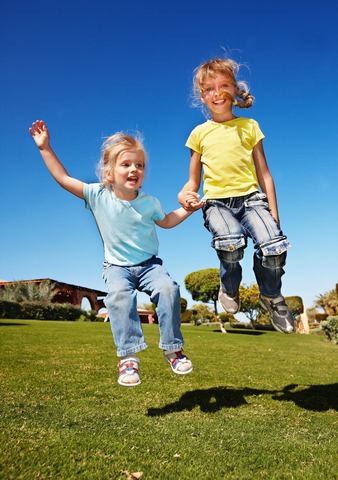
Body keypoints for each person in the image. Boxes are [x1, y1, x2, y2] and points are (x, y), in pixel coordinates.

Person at [29, 120, 195, 386]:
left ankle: (172, 349)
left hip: (150, 265)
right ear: (109, 172)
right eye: (126, 164)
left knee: (168, 289)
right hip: (116, 267)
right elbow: (63, 179)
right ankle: (128, 358)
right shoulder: (97, 195)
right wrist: (45, 148)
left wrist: (189, 209)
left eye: (139, 165)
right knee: (118, 296)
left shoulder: (149, 202)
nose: (134, 169)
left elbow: (167, 221)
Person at [178, 57, 294, 334]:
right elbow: (192, 181)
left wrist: (274, 213)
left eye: (224, 85)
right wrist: (185, 195)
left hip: (253, 200)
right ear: (201, 96)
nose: (217, 93)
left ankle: (271, 295)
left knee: (275, 247)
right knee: (231, 243)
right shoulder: (199, 133)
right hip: (217, 204)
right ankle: (229, 288)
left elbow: (265, 174)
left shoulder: (249, 126)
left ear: (234, 88)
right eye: (209, 89)